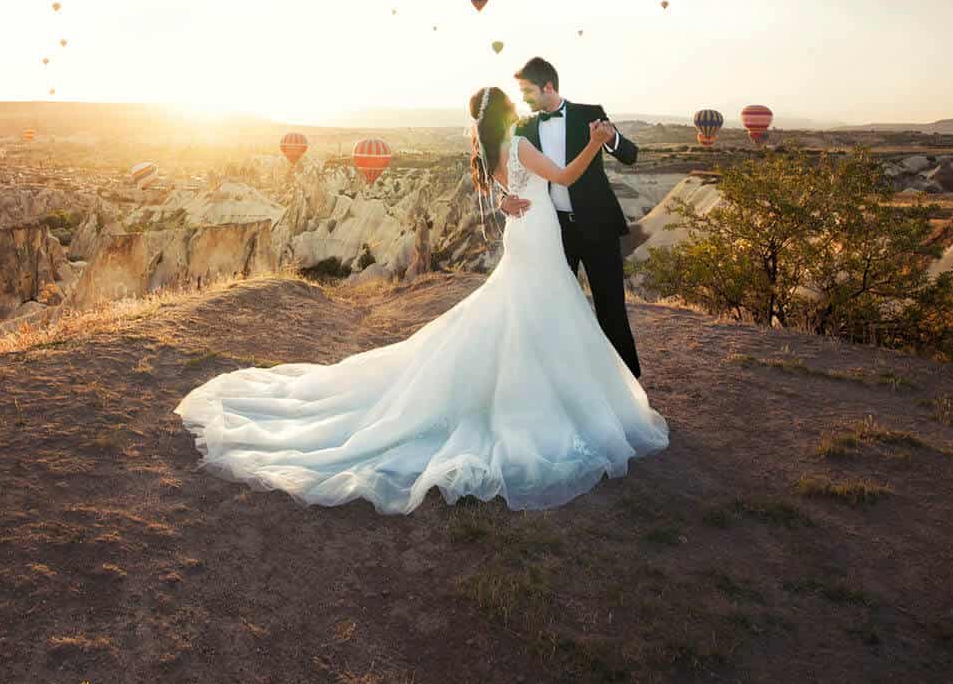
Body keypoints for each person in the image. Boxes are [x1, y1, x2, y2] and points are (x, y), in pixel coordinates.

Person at [173, 86, 668, 514]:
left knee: (522, 315)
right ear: (506, 115)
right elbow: (563, 179)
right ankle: (543, 403)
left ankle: (523, 394)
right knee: (541, 315)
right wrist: (595, 143)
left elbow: (507, 191)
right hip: (536, 237)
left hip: (524, 235)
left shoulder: (491, 150)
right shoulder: (519, 142)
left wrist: (505, 199)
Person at [497, 56, 644, 378]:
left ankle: (629, 385)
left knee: (611, 309)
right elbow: (512, 173)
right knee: (556, 310)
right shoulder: (523, 127)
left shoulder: (590, 114)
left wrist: (611, 138)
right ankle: (565, 385)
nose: (523, 98)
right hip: (552, 230)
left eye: (527, 91)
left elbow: (630, 155)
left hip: (599, 227)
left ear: (548, 86)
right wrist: (502, 200)